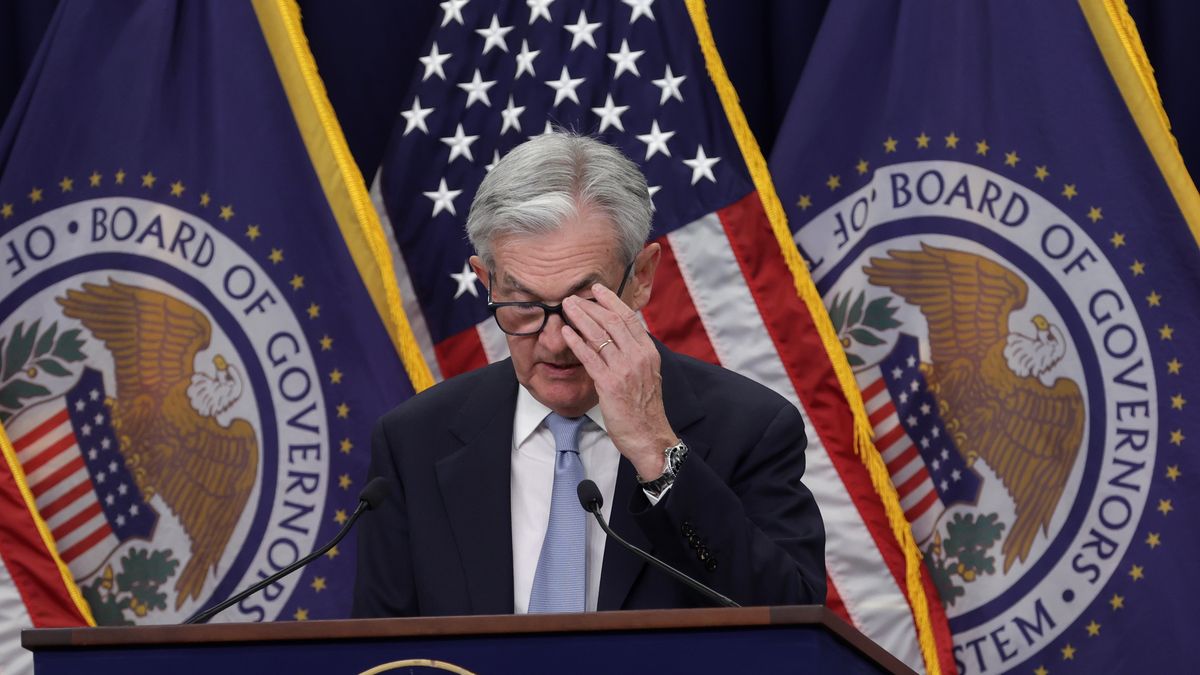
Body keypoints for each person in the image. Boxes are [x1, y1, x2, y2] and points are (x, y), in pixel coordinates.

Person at [353, 132, 824, 617]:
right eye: (523, 303)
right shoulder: (414, 441)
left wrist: (655, 449)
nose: (555, 343)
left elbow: (790, 623)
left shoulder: (750, 429)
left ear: (641, 278)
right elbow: (382, 656)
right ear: (485, 281)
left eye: (584, 304)